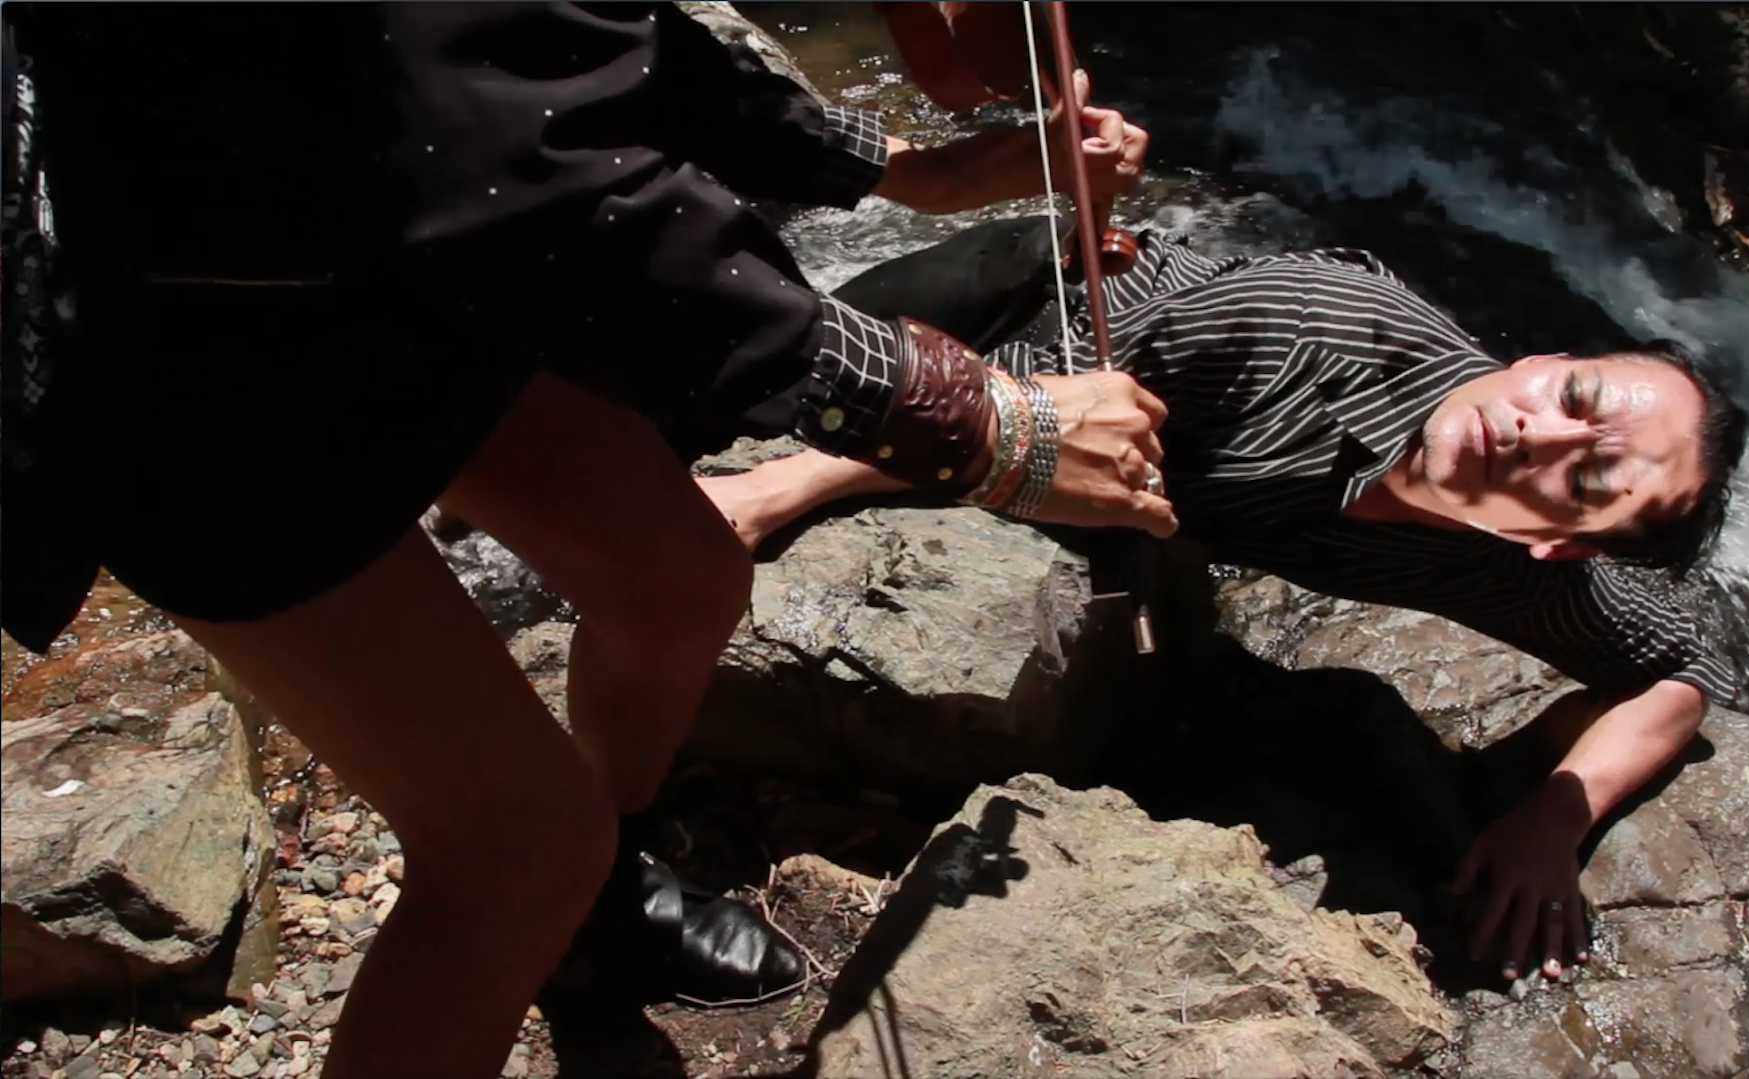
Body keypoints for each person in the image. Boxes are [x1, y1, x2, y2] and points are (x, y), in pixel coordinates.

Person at [1, 6, 1171, 1078]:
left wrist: (905, 166)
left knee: (678, 584)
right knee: (516, 850)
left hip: (392, 268)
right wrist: (967, 415)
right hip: (181, 347)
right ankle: (549, 886)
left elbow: (577, 44)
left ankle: (592, 913)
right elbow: (502, 156)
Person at [696, 217, 1749, 986]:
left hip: (1157, 468)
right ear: (1547, 361)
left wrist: (1552, 819)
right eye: (1574, 400)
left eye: (1588, 478)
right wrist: (790, 482)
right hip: (1030, 313)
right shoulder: (1303, 328)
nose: (1538, 435)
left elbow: (1681, 663)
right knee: (726, 377)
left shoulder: (1516, 564)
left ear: (1561, 540)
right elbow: (994, 413)